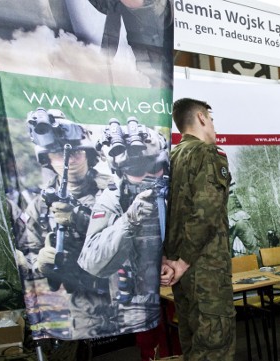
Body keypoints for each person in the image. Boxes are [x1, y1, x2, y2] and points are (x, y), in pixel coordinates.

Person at [163, 98, 251, 361]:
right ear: (200, 117)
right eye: (211, 118)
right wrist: (183, 261)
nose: (213, 126)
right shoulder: (208, 156)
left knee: (194, 337)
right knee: (214, 339)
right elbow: (206, 213)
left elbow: (163, 215)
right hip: (202, 269)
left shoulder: (171, 158)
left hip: (183, 270)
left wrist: (170, 260)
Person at [19, 107, 114, 339]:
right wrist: (39, 262)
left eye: (76, 152)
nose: (68, 160)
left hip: (126, 295)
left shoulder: (113, 190)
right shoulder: (40, 205)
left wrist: (79, 218)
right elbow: (26, 252)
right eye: (58, 154)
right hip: (84, 307)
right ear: (48, 160)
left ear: (88, 155)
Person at [78, 119, 168, 335]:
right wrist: (129, 220)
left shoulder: (174, 185)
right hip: (139, 301)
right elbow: (92, 262)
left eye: (155, 166)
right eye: (137, 170)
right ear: (121, 172)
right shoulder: (113, 198)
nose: (149, 176)